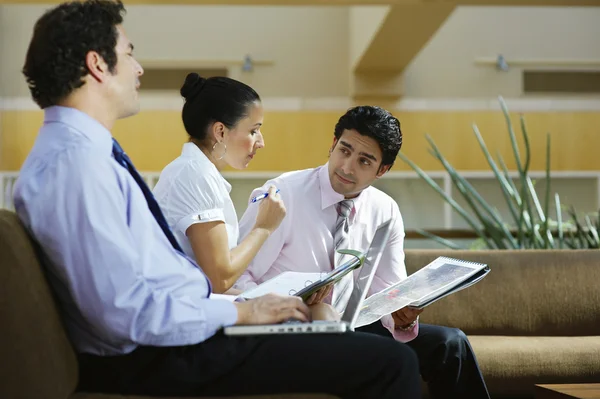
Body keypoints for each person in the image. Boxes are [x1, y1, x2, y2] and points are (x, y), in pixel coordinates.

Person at [12, 1, 422, 398]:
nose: (138, 68)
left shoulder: (83, 155)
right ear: (97, 64)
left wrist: (241, 307)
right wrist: (242, 312)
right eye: (129, 54)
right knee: (391, 362)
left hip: (173, 336)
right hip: (160, 354)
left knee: (346, 337)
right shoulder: (78, 166)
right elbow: (127, 313)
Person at [235, 105, 491, 399]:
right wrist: (285, 301)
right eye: (344, 150)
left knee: (451, 343)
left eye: (364, 161)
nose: (346, 167)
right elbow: (238, 277)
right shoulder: (282, 194)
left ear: (382, 170)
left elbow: (390, 290)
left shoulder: (385, 210)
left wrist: (402, 315)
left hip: (352, 326)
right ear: (332, 144)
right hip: (295, 326)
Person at [152, 74, 285, 295]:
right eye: (253, 131)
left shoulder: (201, 172)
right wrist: (264, 227)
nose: (261, 142)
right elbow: (219, 278)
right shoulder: (195, 175)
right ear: (221, 132)